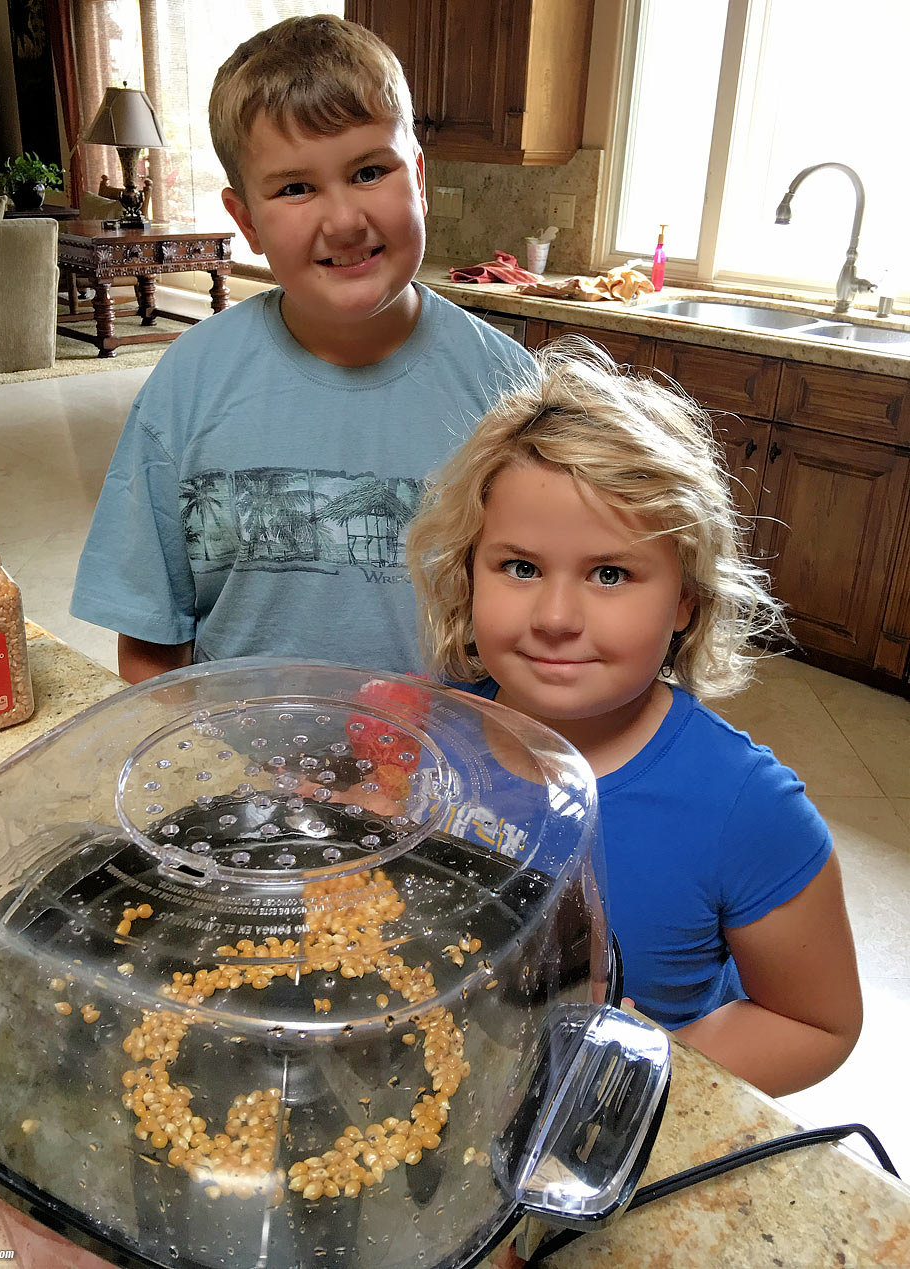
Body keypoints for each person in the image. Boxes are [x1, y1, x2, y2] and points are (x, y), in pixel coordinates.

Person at [406, 340, 862, 1098]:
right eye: (520, 567)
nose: (555, 617)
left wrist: (641, 1076)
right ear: (467, 570)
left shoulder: (745, 807)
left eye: (610, 573)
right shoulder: (438, 727)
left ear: (687, 597)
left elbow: (818, 1023)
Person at [70, 15, 533, 683]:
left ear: (421, 180)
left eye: (371, 170)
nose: (344, 220)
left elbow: (549, 626)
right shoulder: (189, 385)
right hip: (242, 770)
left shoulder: (509, 392)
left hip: (451, 773)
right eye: (295, 187)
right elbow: (149, 643)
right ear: (246, 220)